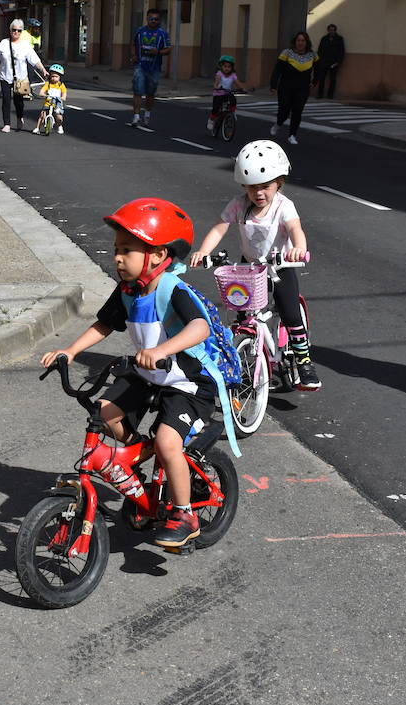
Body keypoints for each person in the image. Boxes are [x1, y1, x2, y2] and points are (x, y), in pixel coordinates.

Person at [40, 198, 223, 550]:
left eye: (127, 250)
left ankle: (184, 514)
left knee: (169, 442)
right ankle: (139, 467)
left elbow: (200, 328)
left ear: (157, 255)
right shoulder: (128, 290)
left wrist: (160, 351)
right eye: (116, 250)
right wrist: (71, 350)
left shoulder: (172, 290)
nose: (118, 258)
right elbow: (105, 323)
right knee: (105, 412)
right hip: (148, 374)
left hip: (186, 382)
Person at [190, 140, 320, 390]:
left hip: (280, 267)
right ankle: (248, 357)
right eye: (252, 188)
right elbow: (220, 228)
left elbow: (295, 228)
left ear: (279, 182)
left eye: (265, 187)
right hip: (249, 268)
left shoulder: (284, 205)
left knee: (291, 313)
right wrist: (204, 252)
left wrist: (298, 249)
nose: (259, 193)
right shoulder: (239, 204)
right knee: (243, 315)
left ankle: (304, 362)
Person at [0, 18, 45, 132]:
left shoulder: (25, 45)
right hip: (5, 76)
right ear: (10, 30)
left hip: (21, 78)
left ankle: (19, 117)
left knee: (19, 101)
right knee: (6, 100)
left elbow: (34, 60)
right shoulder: (3, 43)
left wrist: (43, 70)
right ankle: (6, 123)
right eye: (14, 30)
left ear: (22, 32)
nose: (16, 32)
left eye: (19, 30)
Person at [269, 31, 317, 144]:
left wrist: (315, 81)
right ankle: (279, 123)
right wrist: (273, 85)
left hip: (302, 89)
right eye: (298, 40)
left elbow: (320, 69)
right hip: (286, 87)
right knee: (284, 110)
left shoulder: (312, 55)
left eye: (303, 41)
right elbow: (277, 70)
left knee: (297, 111)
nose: (300, 43)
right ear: (295, 42)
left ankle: (292, 135)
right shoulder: (286, 53)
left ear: (307, 42)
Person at [130, 9, 171, 127]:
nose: (153, 21)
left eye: (156, 19)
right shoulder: (140, 31)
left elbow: (168, 49)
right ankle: (136, 117)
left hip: (154, 68)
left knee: (150, 93)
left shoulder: (162, 34)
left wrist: (158, 51)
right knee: (137, 90)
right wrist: (134, 55)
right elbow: (133, 44)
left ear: (159, 20)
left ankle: (147, 114)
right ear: (147, 19)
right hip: (140, 66)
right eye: (151, 19)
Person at [208, 54, 247, 133]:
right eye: (225, 66)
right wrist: (216, 87)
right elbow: (216, 82)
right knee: (216, 108)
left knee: (233, 99)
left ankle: (232, 113)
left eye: (229, 67)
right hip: (219, 94)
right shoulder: (219, 74)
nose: (227, 68)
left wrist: (242, 88)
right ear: (221, 66)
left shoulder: (233, 75)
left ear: (232, 68)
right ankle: (211, 120)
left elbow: (237, 83)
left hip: (227, 93)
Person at [33, 63, 68, 135]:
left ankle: (60, 125)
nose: (54, 78)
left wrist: (63, 97)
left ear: (60, 77)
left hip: (57, 102)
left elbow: (64, 92)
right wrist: (43, 94)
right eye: (52, 76)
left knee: (59, 117)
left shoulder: (61, 85)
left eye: (56, 76)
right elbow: (42, 92)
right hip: (48, 102)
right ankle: (37, 128)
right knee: (42, 115)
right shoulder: (48, 84)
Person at [314, 24, 345, 98]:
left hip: (334, 62)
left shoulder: (339, 39)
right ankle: (320, 95)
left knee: (333, 79)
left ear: (335, 31)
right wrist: (319, 60)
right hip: (324, 62)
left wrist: (338, 62)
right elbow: (320, 50)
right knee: (321, 78)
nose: (332, 31)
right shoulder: (324, 38)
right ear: (328, 30)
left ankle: (330, 95)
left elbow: (342, 51)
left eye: (333, 30)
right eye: (330, 30)